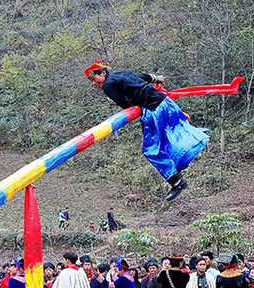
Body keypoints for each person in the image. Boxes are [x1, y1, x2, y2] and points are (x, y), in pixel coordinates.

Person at [85, 61, 210, 201]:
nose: (94, 84)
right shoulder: (123, 73)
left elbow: (125, 103)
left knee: (151, 149)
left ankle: (177, 182)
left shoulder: (108, 86)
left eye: (94, 79)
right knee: (172, 135)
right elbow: (144, 77)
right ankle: (189, 150)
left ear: (103, 73)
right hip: (166, 102)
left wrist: (136, 107)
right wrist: (158, 79)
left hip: (152, 109)